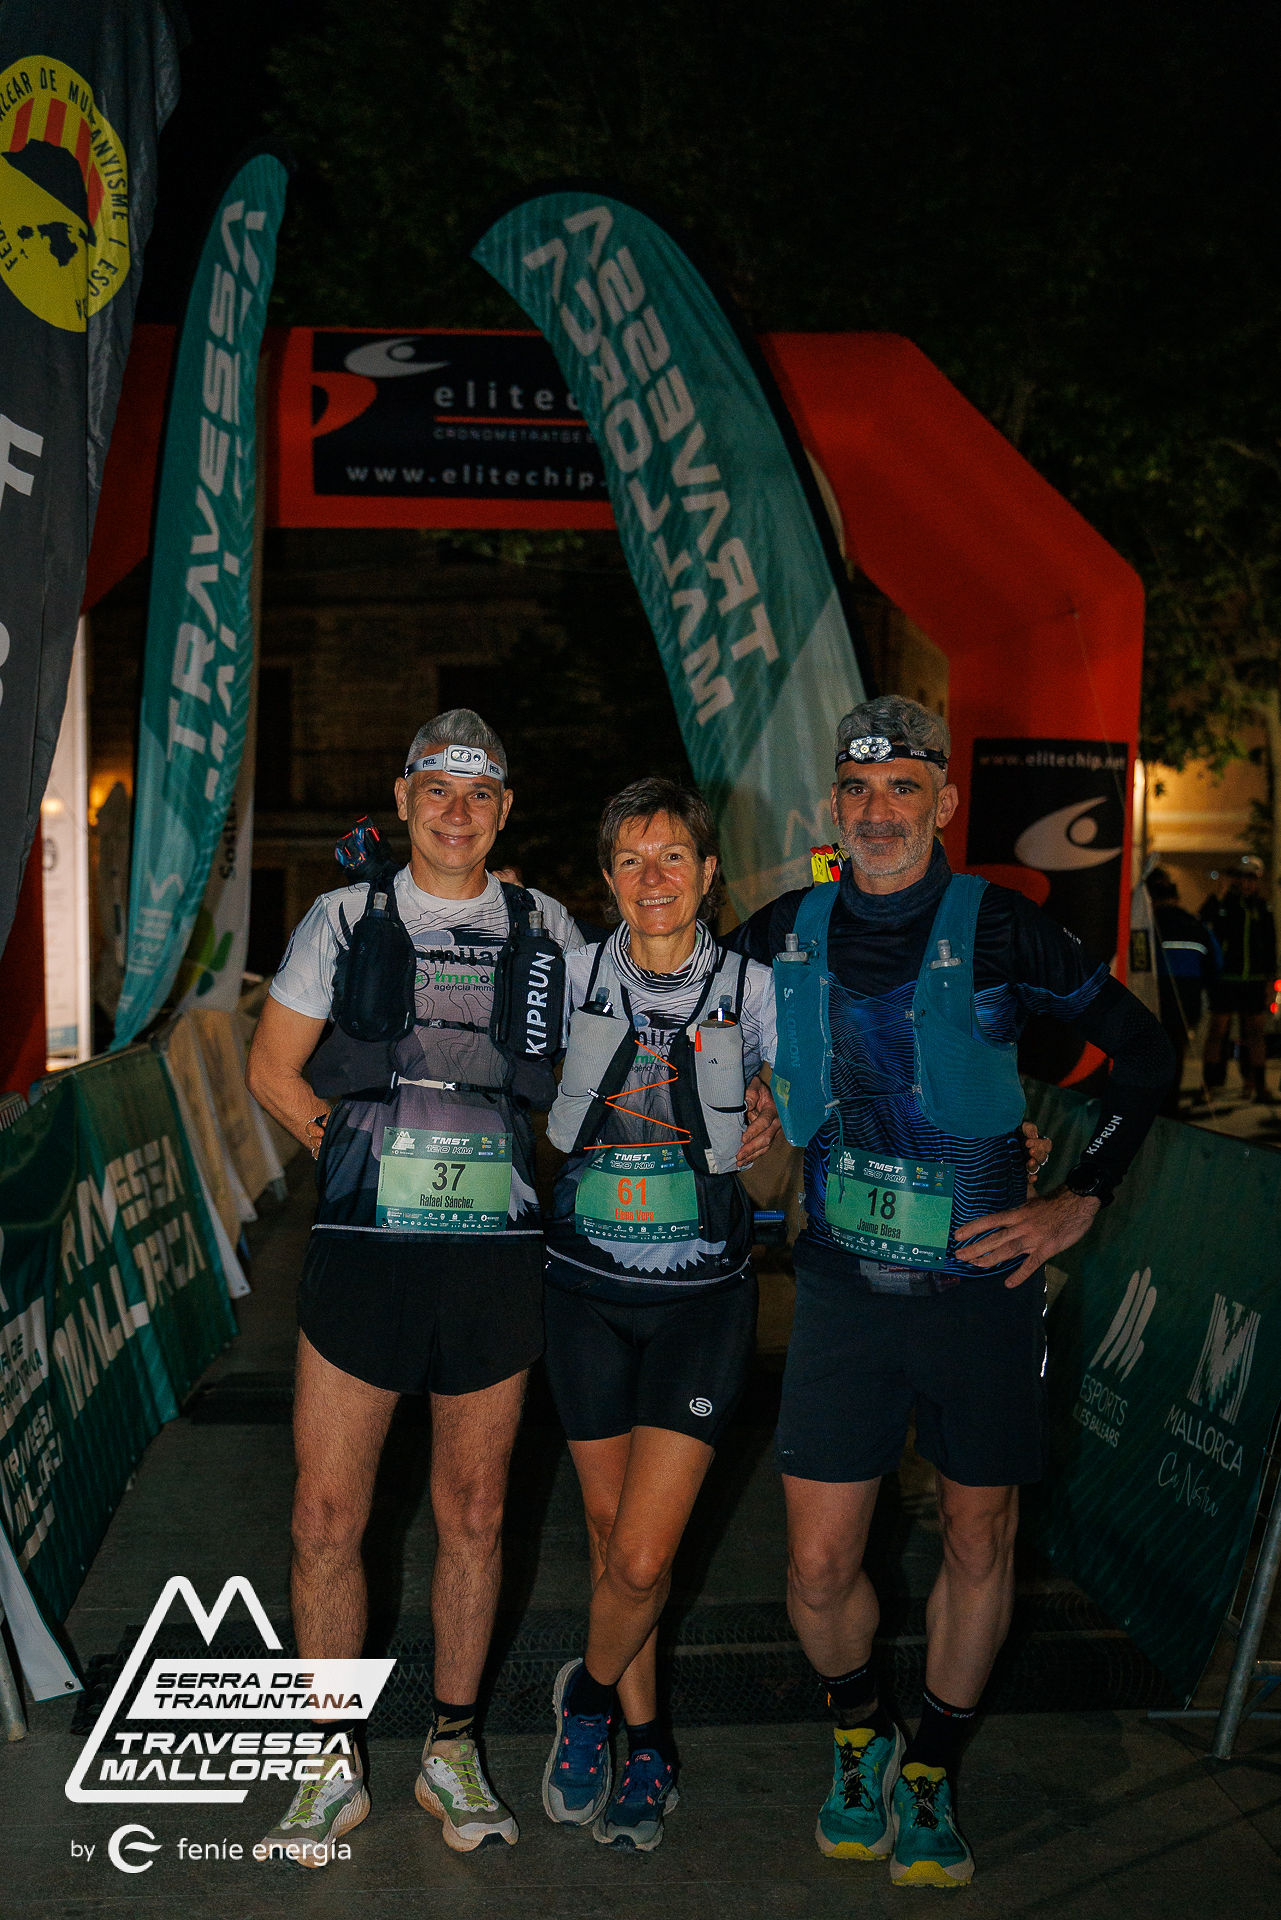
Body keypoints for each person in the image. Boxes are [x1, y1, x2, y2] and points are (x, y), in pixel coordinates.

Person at [722, 695, 1173, 1888]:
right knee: (818, 1569)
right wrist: (747, 1104)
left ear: (945, 801)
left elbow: (1146, 1054)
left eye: (904, 788)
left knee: (980, 1535)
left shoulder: (1007, 927)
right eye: (859, 789)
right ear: (834, 804)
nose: (880, 810)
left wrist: (1079, 1198)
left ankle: (931, 1771)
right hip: (843, 1290)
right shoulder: (783, 930)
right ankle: (861, 1733)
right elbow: (691, 1022)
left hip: (983, 1289)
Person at [245, 709, 580, 1864]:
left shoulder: (546, 926)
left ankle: (451, 1748)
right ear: (402, 799)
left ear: (504, 809)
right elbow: (270, 1066)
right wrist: (342, 1143)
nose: (456, 810)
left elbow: (600, 1065)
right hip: (365, 1253)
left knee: (475, 1513)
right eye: (437, 788)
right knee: (325, 1515)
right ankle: (327, 1763)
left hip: (492, 1260)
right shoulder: (343, 918)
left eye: (479, 793)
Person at [537, 778, 780, 1851]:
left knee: (642, 1558)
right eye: (631, 860)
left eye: (673, 855)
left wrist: (770, 1131)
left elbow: (786, 1162)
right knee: (607, 1540)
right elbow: (527, 1121)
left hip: (701, 1303)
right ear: (607, 878)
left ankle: (584, 1698)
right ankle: (647, 1746)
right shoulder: (571, 975)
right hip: (584, 1292)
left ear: (708, 871)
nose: (653, 878)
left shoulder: (755, 990)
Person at [1200, 855, 1277, 1104]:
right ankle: (1209, 1084)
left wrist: (1270, 981)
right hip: (1226, 978)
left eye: (1251, 878)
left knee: (1255, 1032)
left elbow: (1270, 946)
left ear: (1257, 880)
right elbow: (1204, 921)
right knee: (1218, 1030)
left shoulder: (1262, 908)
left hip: (1254, 979)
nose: (1246, 883)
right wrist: (1218, 895)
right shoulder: (1224, 903)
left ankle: (1257, 1085)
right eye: (1242, 877)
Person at [1145, 867, 1220, 1116]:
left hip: (1153, 993)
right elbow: (1215, 962)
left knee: (1148, 1050)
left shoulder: (1147, 924)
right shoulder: (1195, 924)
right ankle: (1171, 1103)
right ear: (1176, 898)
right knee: (1175, 1049)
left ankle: (1150, 1104)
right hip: (1188, 996)